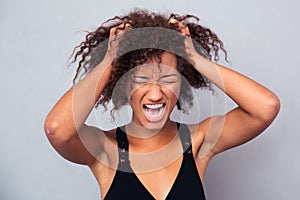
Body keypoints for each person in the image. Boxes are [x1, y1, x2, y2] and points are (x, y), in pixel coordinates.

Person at [44, 9, 280, 200]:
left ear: (182, 83)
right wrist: (109, 62)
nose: (155, 94)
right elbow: (57, 129)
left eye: (167, 78)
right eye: (142, 79)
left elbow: (266, 107)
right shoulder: (105, 149)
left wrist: (193, 57)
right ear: (124, 84)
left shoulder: (198, 142)